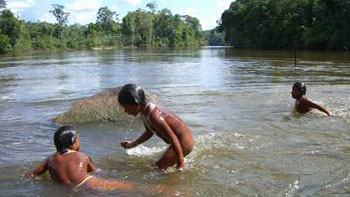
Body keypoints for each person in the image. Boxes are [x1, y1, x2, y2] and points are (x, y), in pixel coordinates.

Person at [30, 125, 136, 191]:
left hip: (67, 189)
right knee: (130, 187)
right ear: (73, 142)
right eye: (78, 140)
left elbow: (32, 174)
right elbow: (95, 171)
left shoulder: (49, 160)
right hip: (88, 183)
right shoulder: (82, 156)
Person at [118, 84, 194, 171]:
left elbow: (173, 138)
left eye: (125, 107)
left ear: (136, 104)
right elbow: (149, 132)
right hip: (179, 143)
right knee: (155, 165)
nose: (125, 111)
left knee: (157, 167)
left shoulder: (154, 116)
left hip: (183, 143)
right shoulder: (144, 112)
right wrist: (133, 144)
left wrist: (181, 163)